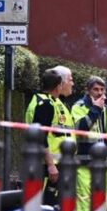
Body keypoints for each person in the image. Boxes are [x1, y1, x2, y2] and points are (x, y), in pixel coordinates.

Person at [69, 76, 107, 211]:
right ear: (88, 91)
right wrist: (95, 109)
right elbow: (80, 129)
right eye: (96, 89)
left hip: (105, 165)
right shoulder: (79, 107)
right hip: (85, 163)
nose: (99, 93)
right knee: (85, 202)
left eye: (102, 90)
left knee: (102, 201)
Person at [26, 66, 75, 195]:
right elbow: (40, 137)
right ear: (58, 86)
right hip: (46, 167)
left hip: (51, 165)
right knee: (45, 206)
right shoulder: (46, 105)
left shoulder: (48, 101)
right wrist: (51, 165)